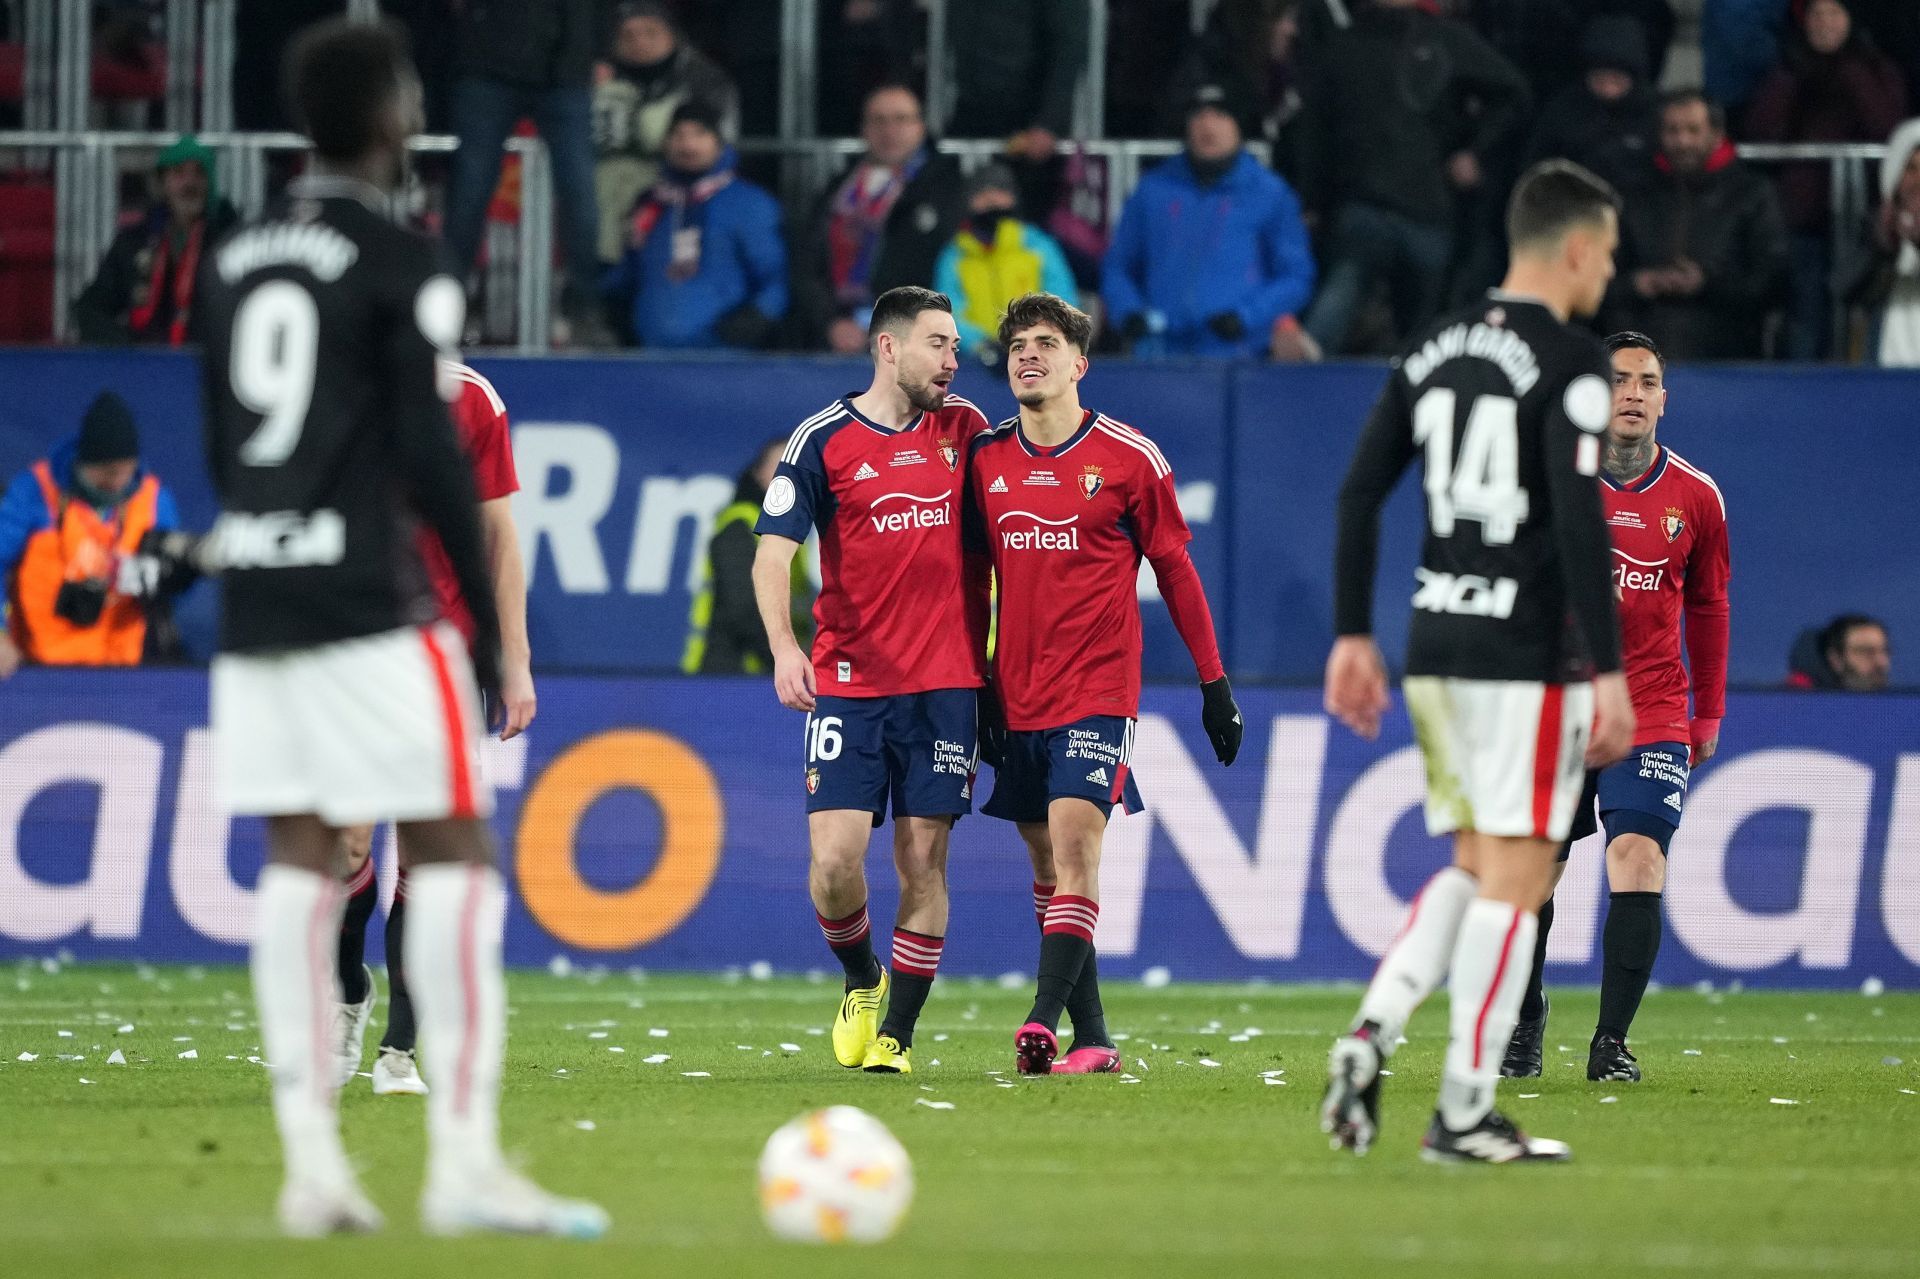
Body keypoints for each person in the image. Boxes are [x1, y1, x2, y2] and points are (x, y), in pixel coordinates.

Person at [197, 19, 604, 1237]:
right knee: (455, 853)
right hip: (378, 604)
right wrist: (483, 631)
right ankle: (462, 1162)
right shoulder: (404, 252)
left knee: (294, 861)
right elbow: (433, 458)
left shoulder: (231, 257)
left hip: (264, 594)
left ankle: (311, 1167)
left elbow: (225, 440)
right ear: (387, 116)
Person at [1321, 159, 1635, 1164]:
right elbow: (1580, 517)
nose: (1608, 273)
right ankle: (1462, 1106)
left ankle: (1372, 1030)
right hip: (1523, 650)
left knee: (1470, 865)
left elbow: (1359, 494)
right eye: (1610, 254)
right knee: (1520, 876)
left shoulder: (1429, 346)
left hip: (1433, 643)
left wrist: (1351, 633)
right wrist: (1612, 670)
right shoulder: (1574, 359)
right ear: (1578, 247)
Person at [966, 292, 1243, 1077]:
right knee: (1045, 865)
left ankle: (1040, 1019)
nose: (1029, 355)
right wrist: (978, 680)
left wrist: (1213, 685)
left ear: (1078, 364)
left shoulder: (1129, 457)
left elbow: (1178, 572)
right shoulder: (987, 459)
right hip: (1014, 692)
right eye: (1018, 344)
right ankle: (1092, 1037)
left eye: (1046, 343)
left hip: (1098, 690)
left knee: (1076, 845)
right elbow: (972, 579)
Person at [751, 286, 992, 1075]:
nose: (953, 361)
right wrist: (788, 649)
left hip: (947, 685)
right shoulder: (822, 439)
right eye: (938, 344)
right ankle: (863, 977)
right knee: (833, 862)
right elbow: (771, 555)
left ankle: (899, 1035)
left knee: (923, 862)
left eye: (956, 347)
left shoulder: (968, 432)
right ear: (889, 348)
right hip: (850, 683)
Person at [1502, 331, 1730, 1085]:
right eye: (1620, 379)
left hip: (1653, 706)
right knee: (1537, 871)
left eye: (1648, 380)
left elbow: (1709, 604)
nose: (1634, 391)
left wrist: (1708, 713)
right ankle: (1527, 1015)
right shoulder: (1545, 482)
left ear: (1666, 398)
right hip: (1557, 705)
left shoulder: (1696, 497)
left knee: (1638, 856)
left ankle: (1611, 1043)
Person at [332, 360, 536, 1099]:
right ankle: (349, 987)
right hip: (352, 652)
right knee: (347, 846)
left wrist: (514, 656)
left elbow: (499, 535)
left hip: (441, 659)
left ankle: (398, 1050)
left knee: (424, 856)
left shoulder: (472, 399)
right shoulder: (334, 385)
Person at [1296, 0, 1531, 357]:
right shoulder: (1350, 45)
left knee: (1368, 305)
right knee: (1412, 331)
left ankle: (1296, 376)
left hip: (1417, 209)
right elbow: (1314, 132)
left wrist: (1476, 151)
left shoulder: (1435, 40)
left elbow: (1514, 94)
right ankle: (1301, 368)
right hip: (1384, 208)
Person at [443, 0, 615, 348]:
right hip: (489, 63)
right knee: (468, 195)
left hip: (566, 67)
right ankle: (447, 305)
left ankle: (584, 307)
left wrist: (600, 52)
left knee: (581, 197)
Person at [1103, 84, 1315, 359]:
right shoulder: (1153, 190)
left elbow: (1295, 275)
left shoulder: (1269, 193)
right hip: (1159, 357)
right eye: (1199, 115)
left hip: (1240, 359)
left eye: (1220, 115)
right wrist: (1128, 313)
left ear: (1238, 125)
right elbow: (1118, 265)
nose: (1208, 125)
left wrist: (1246, 317)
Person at [1745, 0, 1907, 359]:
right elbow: (1762, 129)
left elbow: (1890, 128)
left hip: (1866, 213)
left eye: (1834, 14)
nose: (1824, 24)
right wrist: (1792, 79)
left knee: (1862, 307)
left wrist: (1852, 74)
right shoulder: (1786, 68)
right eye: (1816, 15)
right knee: (1805, 311)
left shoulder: (1875, 67)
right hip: (1803, 215)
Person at [0, 392, 186, 676]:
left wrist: (161, 575)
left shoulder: (153, 499)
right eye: (110, 472)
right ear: (85, 463)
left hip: (121, 674)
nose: (120, 482)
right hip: (37, 672)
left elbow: (173, 586)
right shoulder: (36, 490)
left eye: (127, 471)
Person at [1606, 90, 1790, 360]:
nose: (1682, 141)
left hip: (1727, 361)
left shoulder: (1751, 193)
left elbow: (1773, 280)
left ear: (1716, 135)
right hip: (1637, 361)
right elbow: (1599, 278)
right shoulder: (1633, 195)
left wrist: (1706, 285)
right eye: (1672, 130)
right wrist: (1637, 284)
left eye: (1693, 130)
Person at [789, 85, 967, 355]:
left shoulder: (948, 190)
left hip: (909, 344)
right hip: (834, 334)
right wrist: (830, 322)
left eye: (901, 119)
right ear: (864, 129)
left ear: (920, 127)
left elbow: (938, 271)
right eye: (879, 120)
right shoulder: (838, 188)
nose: (889, 130)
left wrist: (885, 325)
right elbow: (807, 262)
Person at [602, 100, 787, 350]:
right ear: (666, 143)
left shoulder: (749, 204)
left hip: (725, 362)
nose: (688, 145)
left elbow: (776, 277)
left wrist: (758, 317)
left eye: (700, 134)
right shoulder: (651, 204)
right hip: (649, 361)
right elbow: (628, 274)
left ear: (718, 142)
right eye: (678, 135)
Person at [591, 1, 739, 267]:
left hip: (688, 187)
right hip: (611, 192)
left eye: (650, 33)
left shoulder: (704, 79)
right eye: (628, 35)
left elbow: (718, 146)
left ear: (672, 34)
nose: (639, 43)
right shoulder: (600, 78)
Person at [73, 135, 239, 345]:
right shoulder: (134, 241)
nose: (190, 183)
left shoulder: (229, 242)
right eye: (179, 173)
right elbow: (92, 307)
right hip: (144, 365)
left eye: (199, 173)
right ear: (162, 183)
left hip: (205, 363)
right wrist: (125, 351)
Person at [682, 436, 813, 674]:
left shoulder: (792, 532)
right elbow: (743, 611)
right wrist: (789, 663)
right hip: (732, 676)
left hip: (774, 674)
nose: (792, 475)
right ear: (759, 473)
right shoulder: (740, 526)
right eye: (782, 466)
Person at [933, 163, 1079, 363]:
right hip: (973, 367)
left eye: (1000, 191)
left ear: (1014, 198)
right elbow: (948, 315)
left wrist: (1028, 343)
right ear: (967, 202)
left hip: (1039, 363)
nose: (992, 199)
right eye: (981, 193)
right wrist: (983, 346)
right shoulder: (954, 256)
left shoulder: (1038, 246)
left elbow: (1063, 302)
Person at [1526, 16, 1662, 194]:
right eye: (1599, 79)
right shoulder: (1563, 111)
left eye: (1616, 80)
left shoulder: (1655, 112)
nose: (1607, 89)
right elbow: (1536, 168)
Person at [1856, 117, 1920, 363]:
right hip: (1887, 364)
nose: (1918, 182)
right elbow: (1847, 287)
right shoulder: (1876, 224)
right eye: (1911, 169)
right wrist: (1888, 243)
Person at [1787, 613, 1892, 689]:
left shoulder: (1889, 713)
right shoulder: (1795, 706)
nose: (1881, 662)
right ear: (1836, 659)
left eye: (1885, 651)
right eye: (1866, 652)